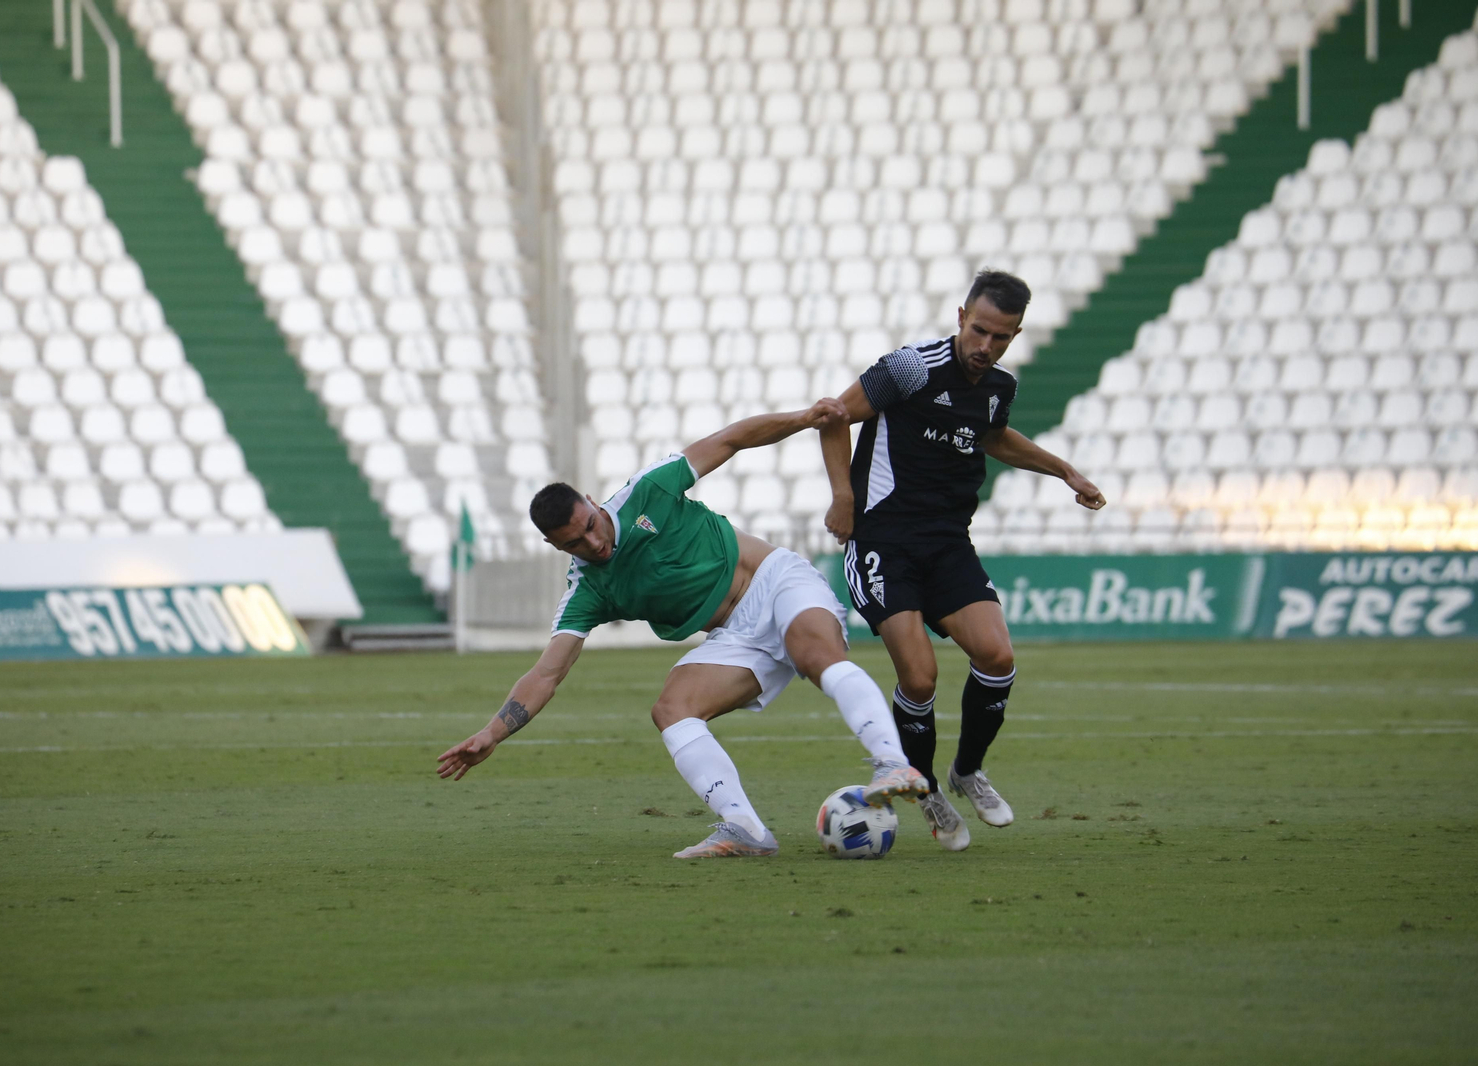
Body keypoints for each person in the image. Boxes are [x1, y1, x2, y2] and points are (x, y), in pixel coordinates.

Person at [437, 399, 929, 858]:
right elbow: (547, 673)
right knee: (672, 710)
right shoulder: (587, 590)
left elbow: (731, 439)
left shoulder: (647, 489)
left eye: (591, 524)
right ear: (555, 545)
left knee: (816, 657)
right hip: (734, 637)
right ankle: (744, 827)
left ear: (590, 501)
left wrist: (804, 418)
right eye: (575, 542)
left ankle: (891, 761)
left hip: (776, 581)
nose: (594, 542)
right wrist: (492, 733)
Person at [818, 270, 1106, 851]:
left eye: (1002, 338)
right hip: (884, 542)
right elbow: (833, 416)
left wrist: (1064, 470)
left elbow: (993, 437)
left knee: (997, 656)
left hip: (949, 543)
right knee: (919, 677)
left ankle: (966, 771)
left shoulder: (999, 385)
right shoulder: (909, 368)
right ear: (960, 317)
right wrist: (844, 499)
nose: (986, 347)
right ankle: (924, 790)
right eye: (979, 331)